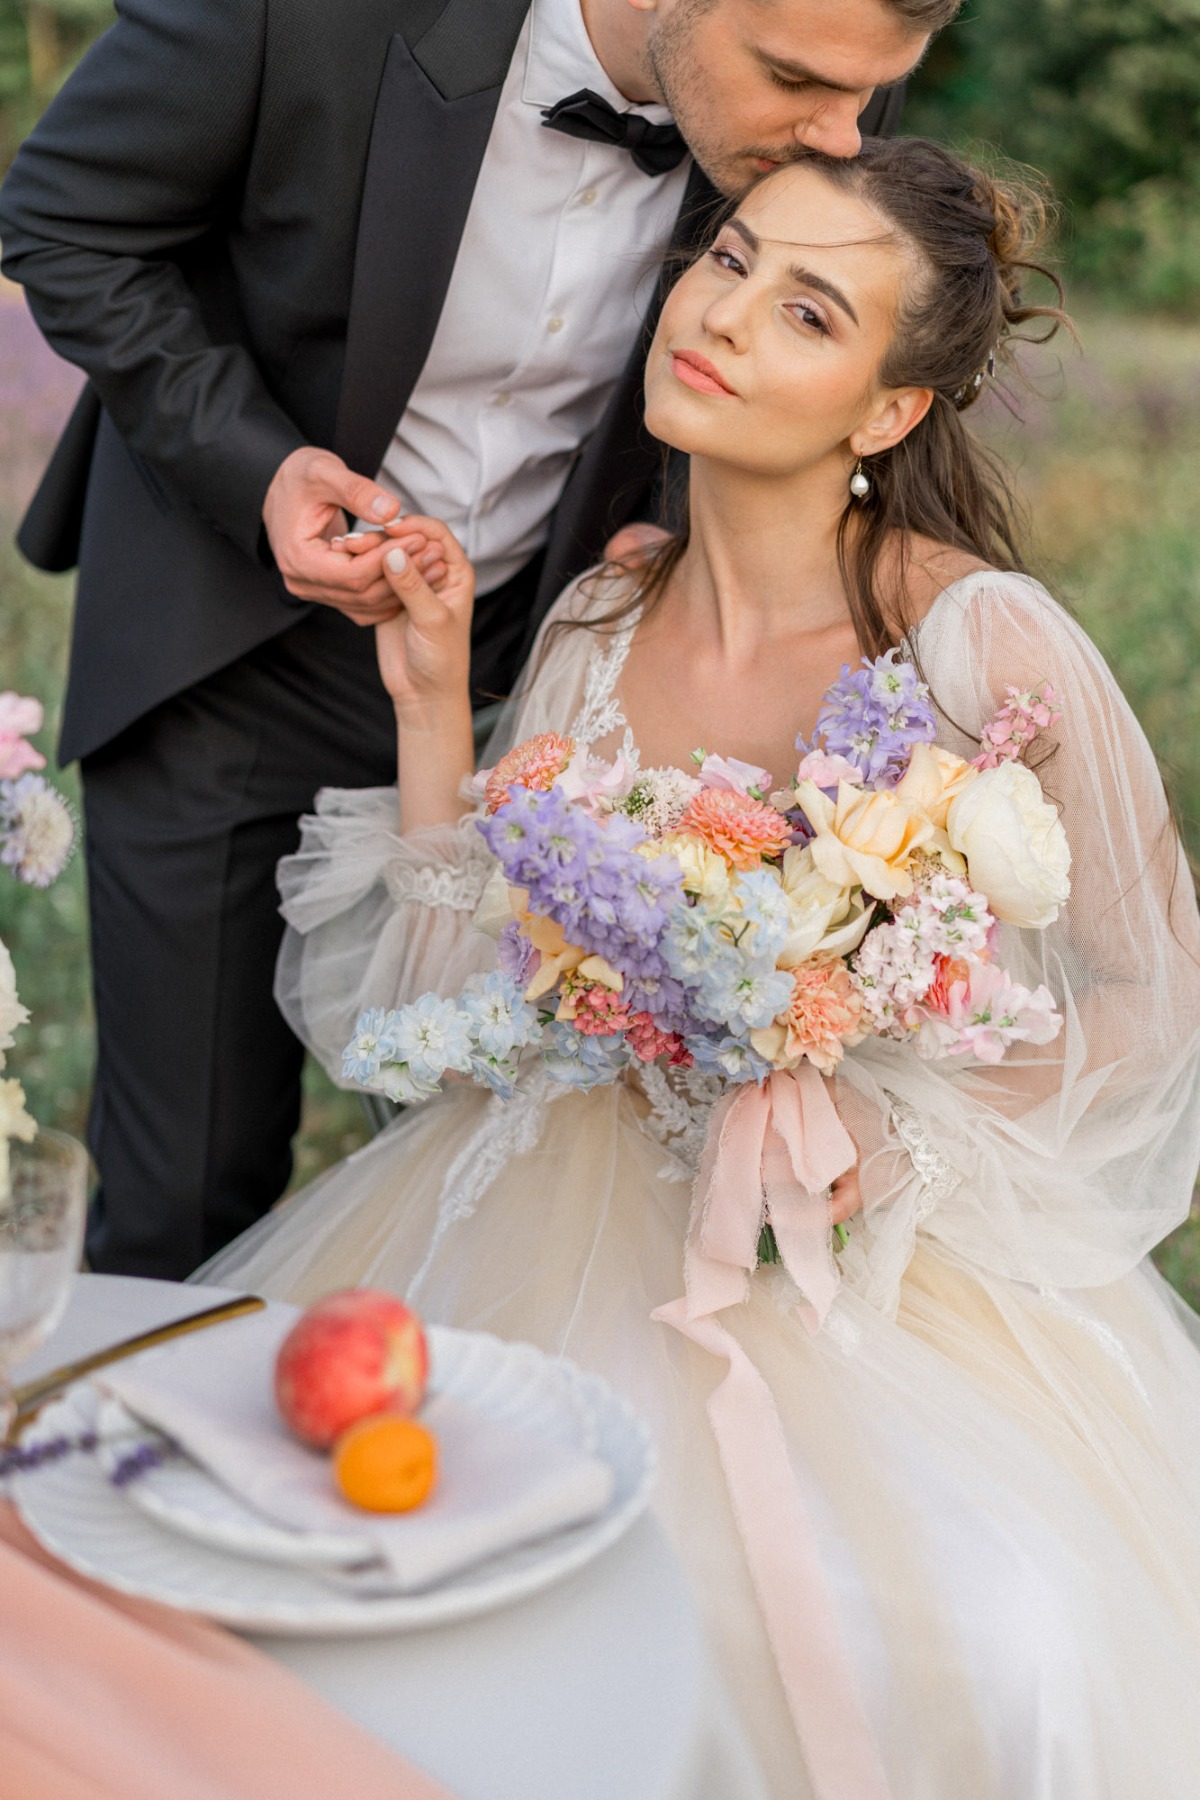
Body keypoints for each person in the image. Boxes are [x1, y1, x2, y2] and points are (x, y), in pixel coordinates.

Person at [199, 139, 1200, 1795]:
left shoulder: (978, 645)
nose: (720, 315)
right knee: (426, 1585)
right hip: (552, 1202)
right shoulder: (605, 615)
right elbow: (454, 1014)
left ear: (886, 408)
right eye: (727, 259)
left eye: (804, 309)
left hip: (867, 1260)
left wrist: (898, 1133)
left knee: (987, 1625)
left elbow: (1150, 996)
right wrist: (438, 697)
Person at [0, 0, 941, 1281]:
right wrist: (256, 466)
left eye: (866, 94)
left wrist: (671, 543)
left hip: (547, 706)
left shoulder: (824, 75)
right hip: (226, 644)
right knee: (187, 1201)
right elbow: (64, 220)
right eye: (794, 83)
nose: (843, 137)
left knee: (506, 1203)